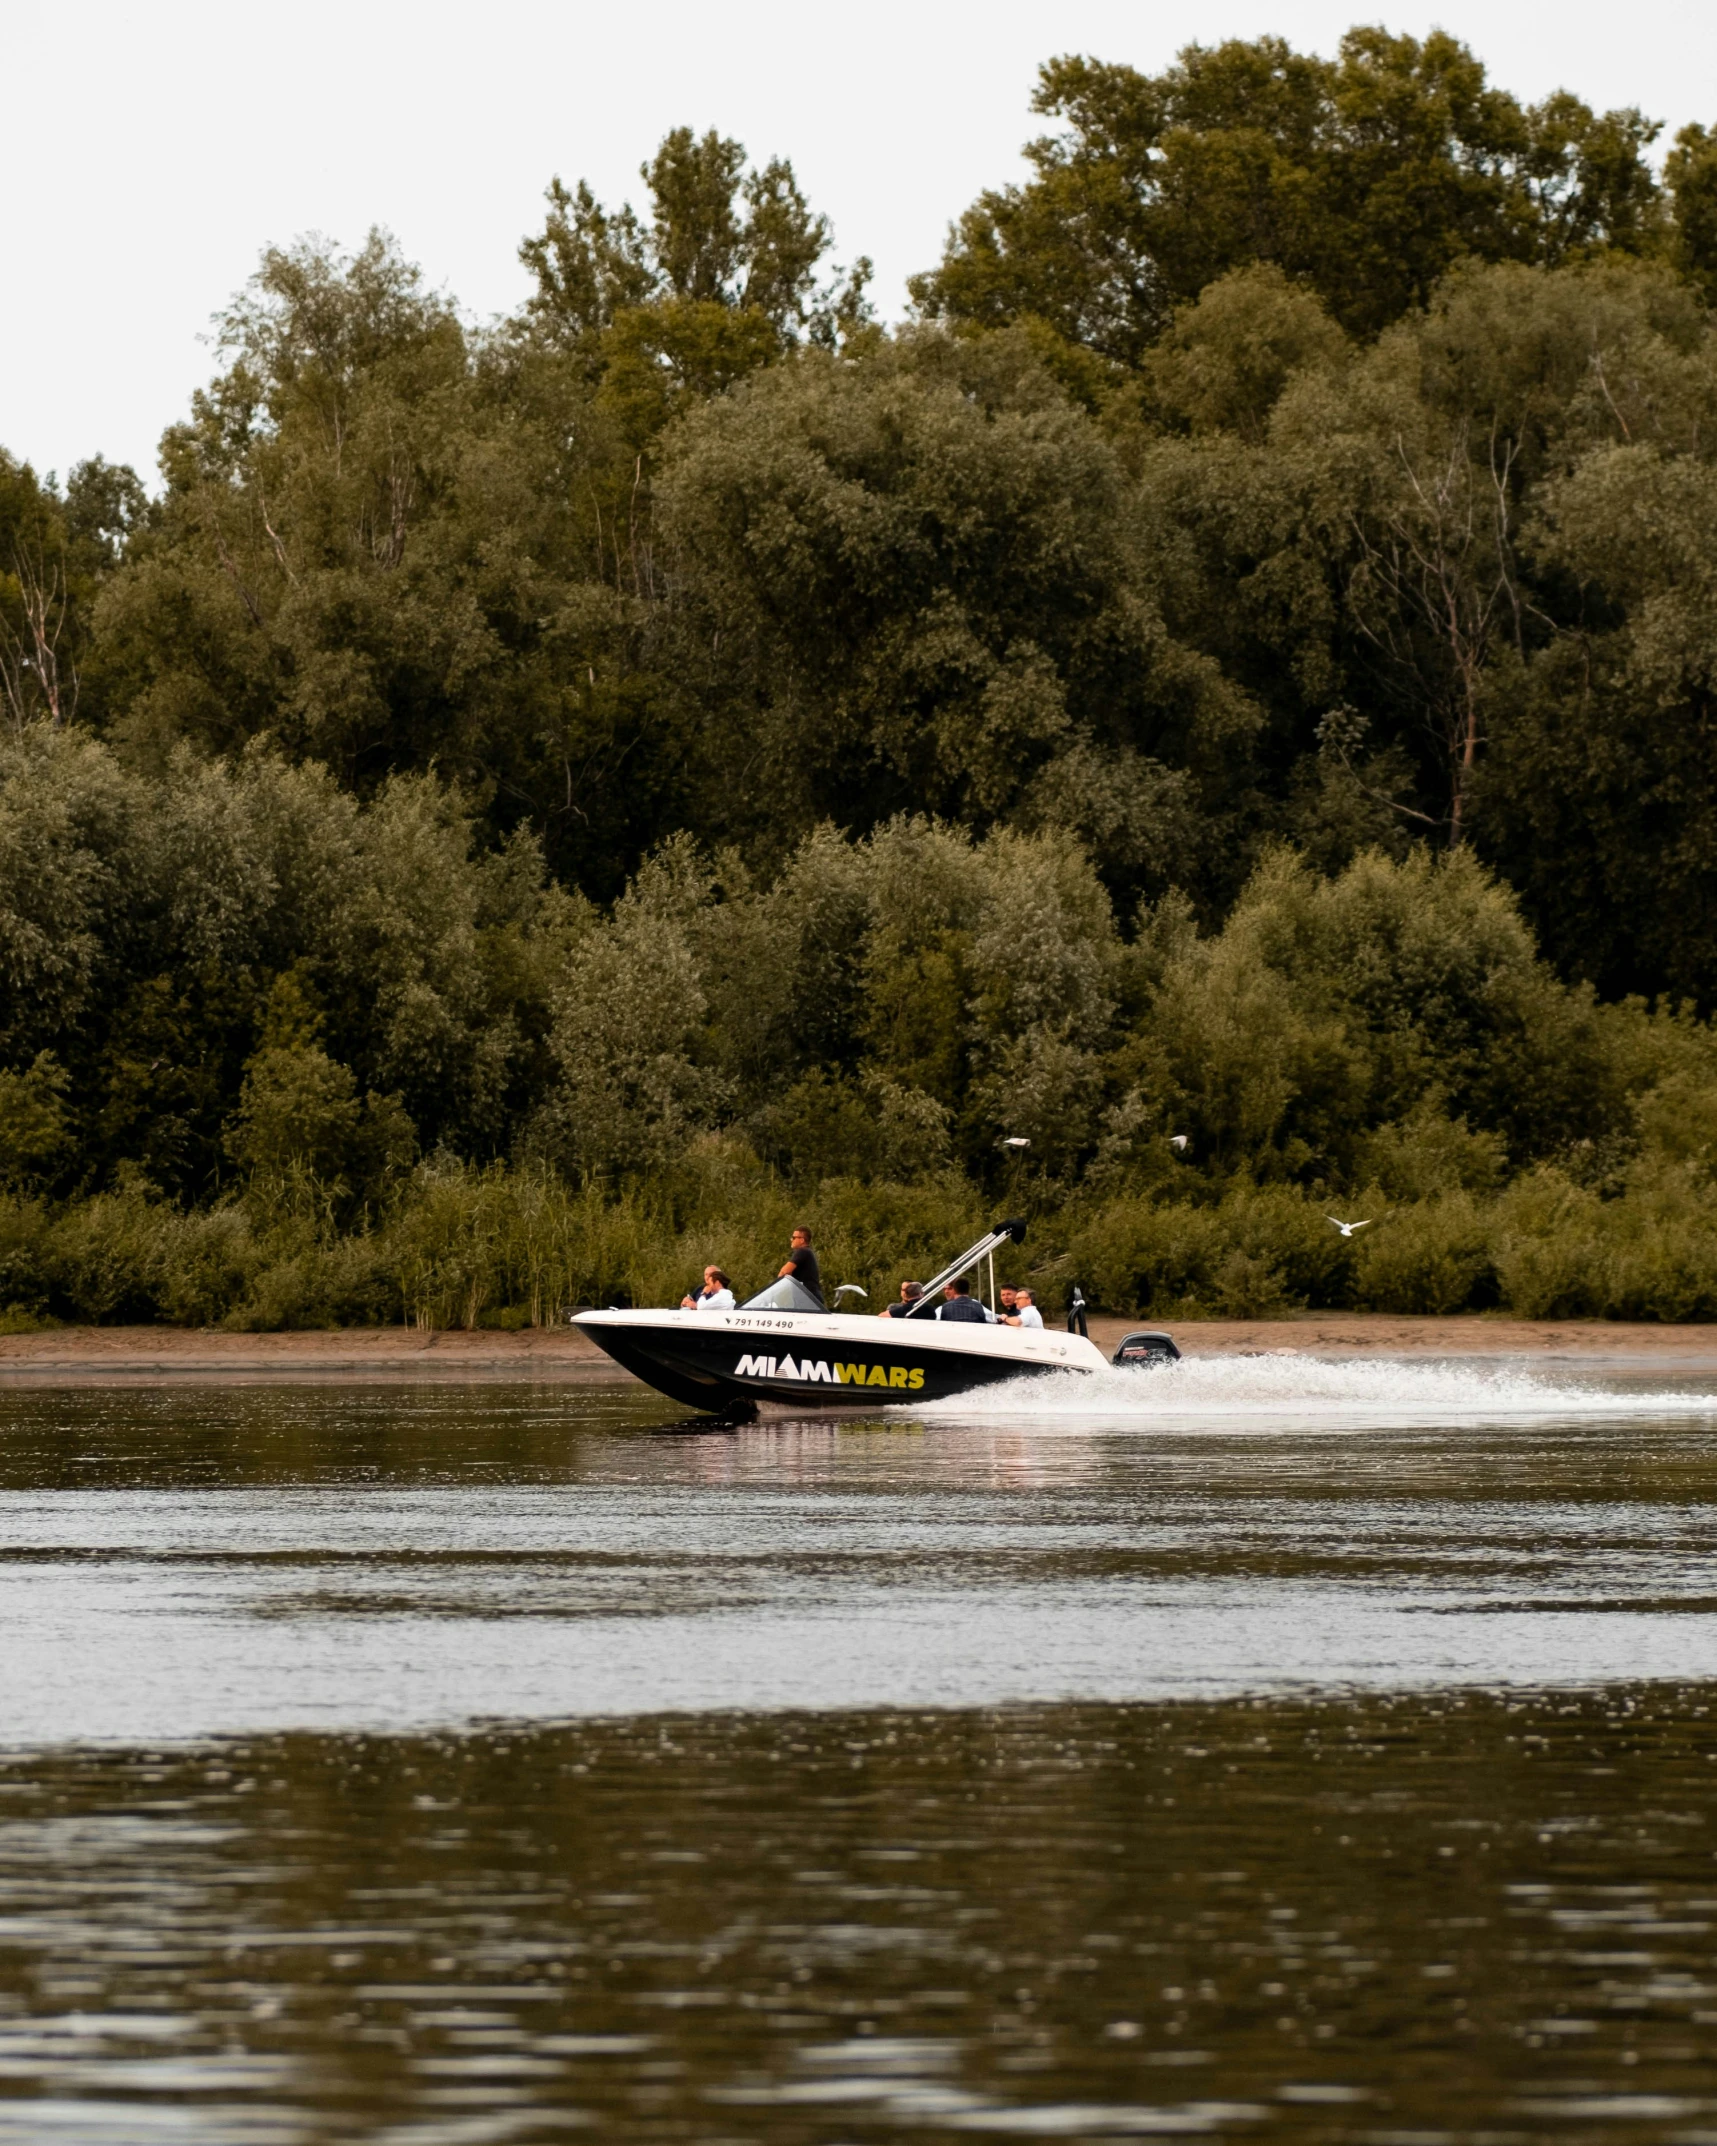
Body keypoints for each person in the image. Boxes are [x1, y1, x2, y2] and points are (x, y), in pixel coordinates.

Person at [777, 1227, 824, 1307]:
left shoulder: (802, 1251)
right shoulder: (806, 1252)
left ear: (802, 1240)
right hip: (808, 1298)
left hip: (808, 1300)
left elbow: (784, 1272)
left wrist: (774, 1290)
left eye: (794, 1237)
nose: (791, 1239)